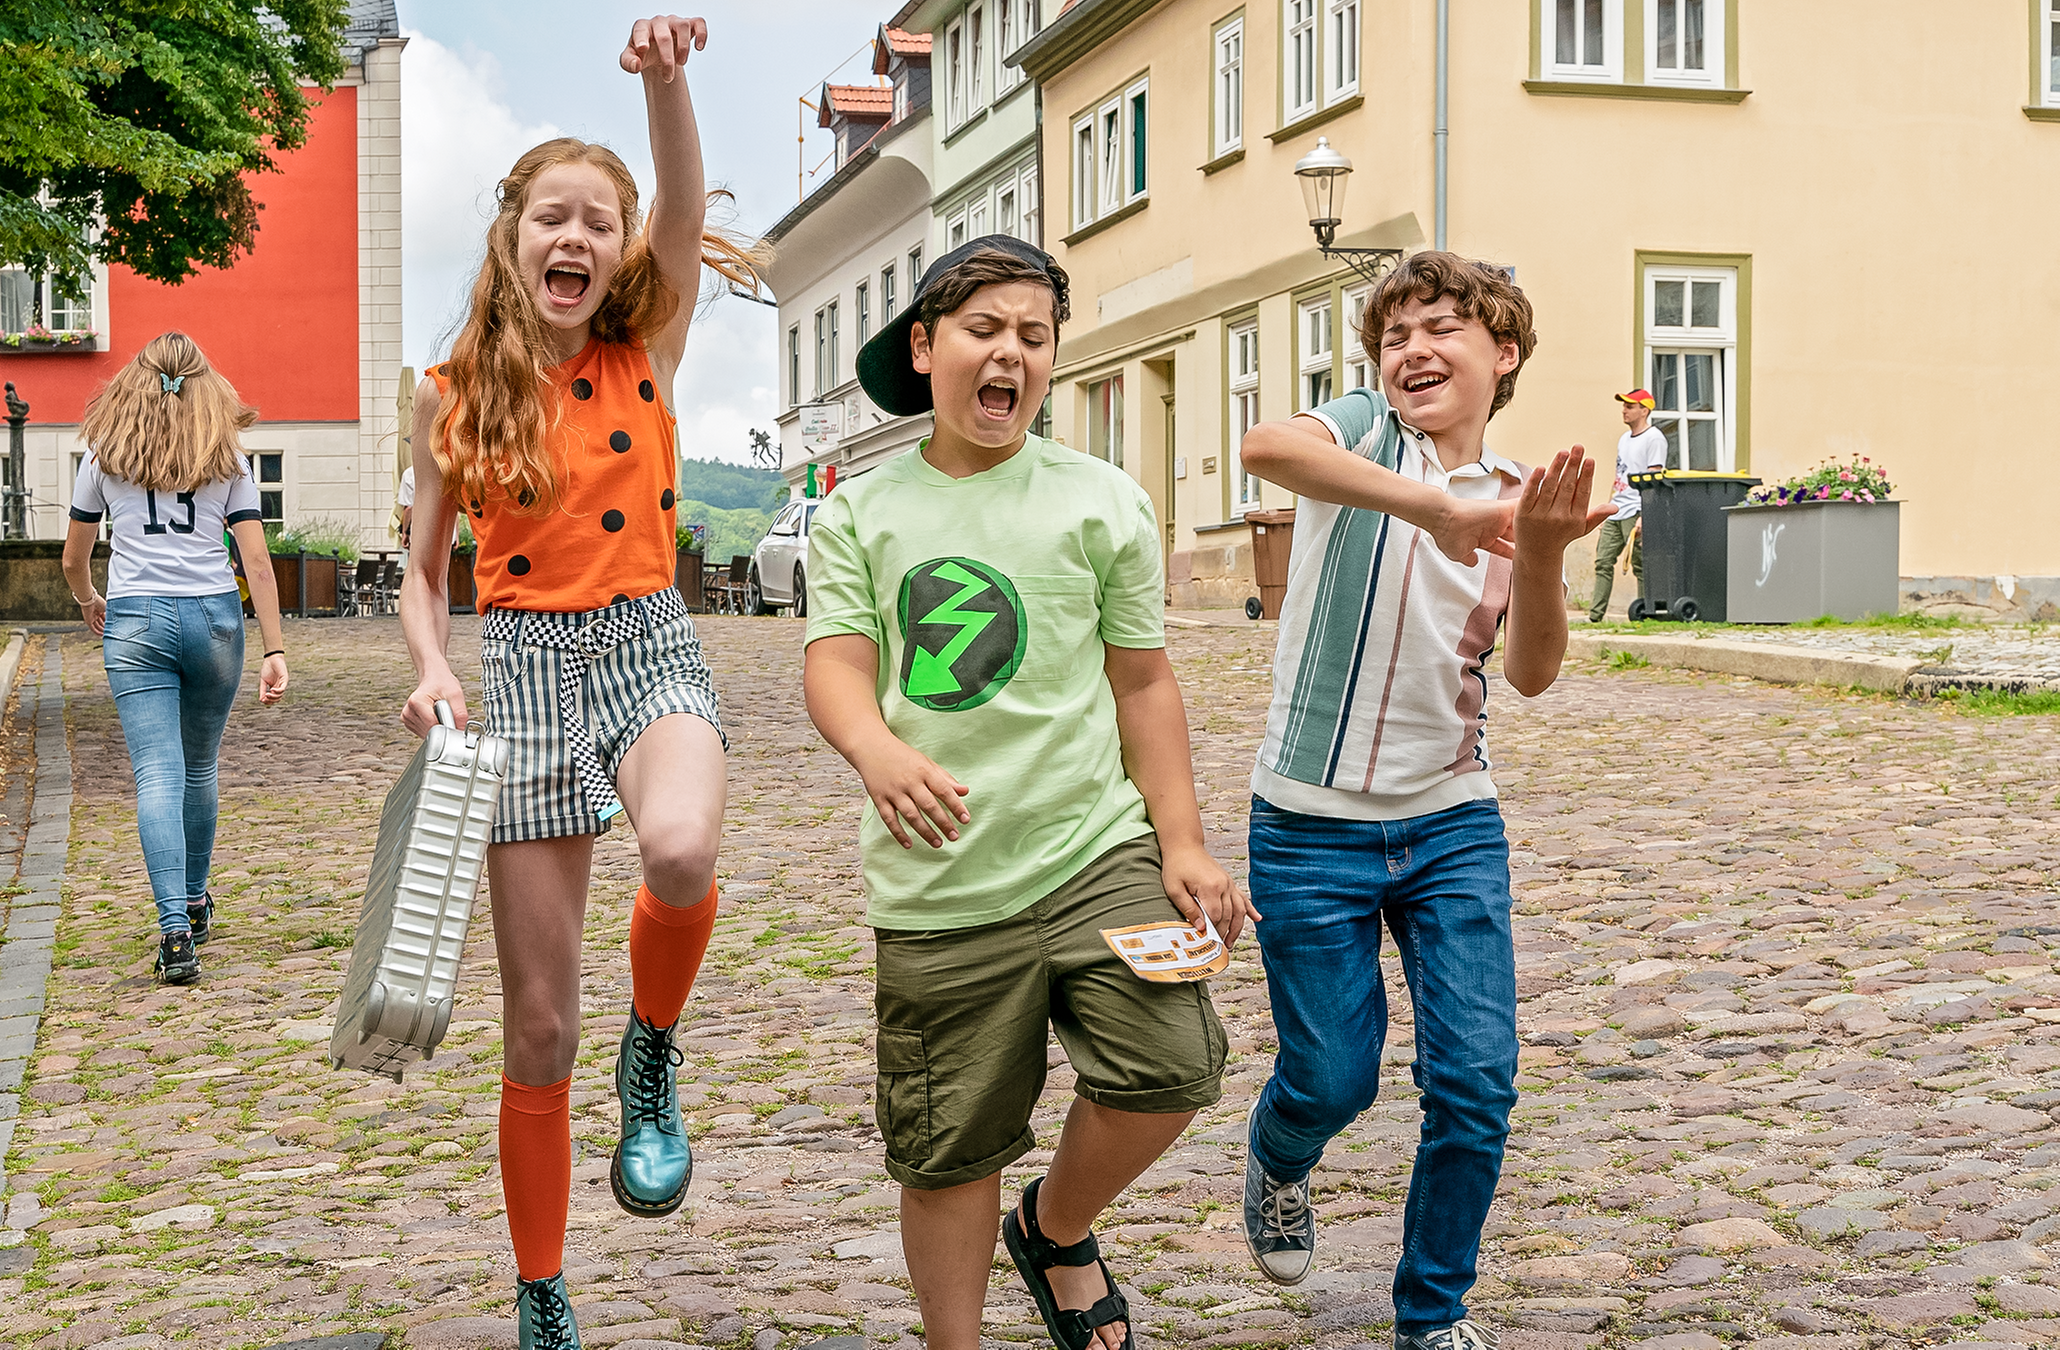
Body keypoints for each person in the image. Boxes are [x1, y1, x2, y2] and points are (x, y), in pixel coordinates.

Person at [804, 235, 1247, 1350]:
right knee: (949, 1148)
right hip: (942, 878)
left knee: (1172, 1067)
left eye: (1034, 336)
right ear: (925, 348)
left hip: (1095, 847)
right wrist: (875, 749)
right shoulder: (861, 512)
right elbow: (838, 663)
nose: (1011, 354)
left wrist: (1183, 843)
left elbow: (1142, 682)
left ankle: (1054, 1228)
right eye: (984, 330)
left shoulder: (1102, 501)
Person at [395, 17, 764, 1349]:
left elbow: (682, 207)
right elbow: (421, 572)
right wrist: (432, 667)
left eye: (598, 223)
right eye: (552, 216)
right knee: (539, 1025)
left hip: (649, 635)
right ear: (512, 237)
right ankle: (542, 1285)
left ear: (619, 252)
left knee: (682, 847)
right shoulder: (450, 394)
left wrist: (668, 81)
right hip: (525, 668)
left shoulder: (645, 344)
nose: (576, 237)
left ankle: (652, 1049)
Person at [1233, 253, 1611, 1350]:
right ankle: (1281, 1151)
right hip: (1308, 825)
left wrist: (1537, 553)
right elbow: (1267, 448)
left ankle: (1432, 1315)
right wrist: (1436, 508)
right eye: (1394, 335)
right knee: (1332, 1077)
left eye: (1441, 327)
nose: (1412, 350)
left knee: (1478, 1079)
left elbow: (1531, 671)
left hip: (1452, 821)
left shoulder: (1523, 488)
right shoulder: (1362, 433)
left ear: (1504, 353)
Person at [62, 331, 289, 987]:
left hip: (135, 619)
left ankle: (175, 935)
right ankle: (194, 899)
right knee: (200, 765)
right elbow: (256, 561)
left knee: (157, 774)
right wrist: (274, 647)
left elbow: (74, 558)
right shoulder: (228, 456)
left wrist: (88, 599)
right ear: (206, 386)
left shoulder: (104, 454)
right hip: (213, 617)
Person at [1586, 388, 1668, 622]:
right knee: (1603, 561)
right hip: (1617, 509)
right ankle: (1595, 616)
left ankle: (1647, 613)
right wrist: (1607, 510)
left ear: (1644, 410)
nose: (1624, 410)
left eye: (1630, 406)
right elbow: (1618, 476)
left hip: (1637, 508)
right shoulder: (1624, 439)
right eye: (1624, 406)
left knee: (1640, 564)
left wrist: (1646, 514)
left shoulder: (1654, 438)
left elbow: (1654, 479)